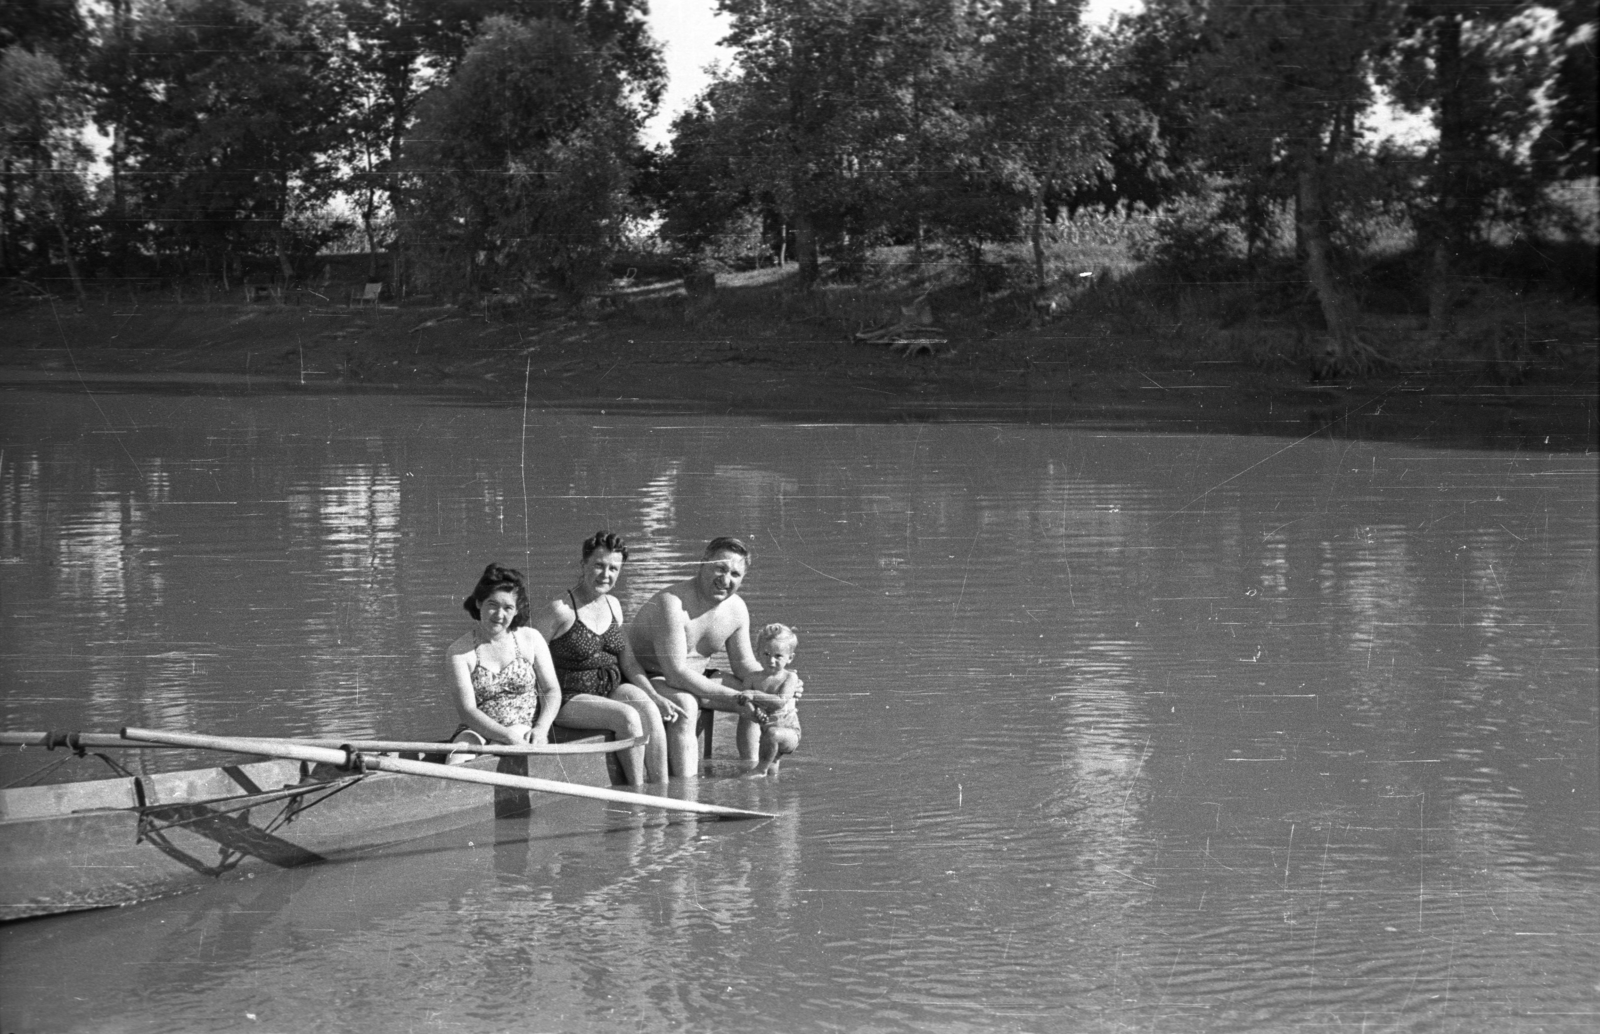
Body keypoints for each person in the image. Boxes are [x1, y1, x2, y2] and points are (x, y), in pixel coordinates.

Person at [628, 536, 800, 776]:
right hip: (654, 678)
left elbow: (745, 666)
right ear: (703, 562)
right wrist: (740, 697)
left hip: (697, 676)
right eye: (720, 568)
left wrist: (780, 681)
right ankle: (687, 790)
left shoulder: (736, 608)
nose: (725, 580)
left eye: (735, 574)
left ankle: (753, 770)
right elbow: (676, 673)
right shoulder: (672, 604)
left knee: (757, 690)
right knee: (687, 703)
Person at [530, 530, 680, 785]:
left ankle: (662, 789)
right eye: (598, 565)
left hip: (609, 690)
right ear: (583, 565)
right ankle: (637, 794)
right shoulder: (560, 609)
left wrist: (655, 696)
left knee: (650, 710)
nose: (606, 575)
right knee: (628, 717)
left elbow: (629, 662)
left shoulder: (613, 605)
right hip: (568, 698)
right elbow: (527, 658)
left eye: (613, 569)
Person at [445, 563, 561, 757]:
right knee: (458, 756)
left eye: (508, 608)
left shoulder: (531, 639)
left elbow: (552, 690)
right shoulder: (458, 652)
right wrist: (505, 736)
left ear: (516, 610)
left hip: (522, 730)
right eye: (492, 605)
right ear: (479, 603)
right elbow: (467, 711)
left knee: (506, 750)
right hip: (477, 731)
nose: (499, 615)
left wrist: (541, 729)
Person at [736, 623, 802, 777]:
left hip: (790, 733)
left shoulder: (790, 677)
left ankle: (760, 769)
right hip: (766, 734)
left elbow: (779, 701)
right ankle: (770, 793)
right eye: (766, 654)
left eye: (778, 656)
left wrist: (754, 695)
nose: (771, 660)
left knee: (773, 735)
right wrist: (755, 711)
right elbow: (744, 704)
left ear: (790, 658)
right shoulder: (751, 678)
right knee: (772, 772)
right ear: (758, 654)